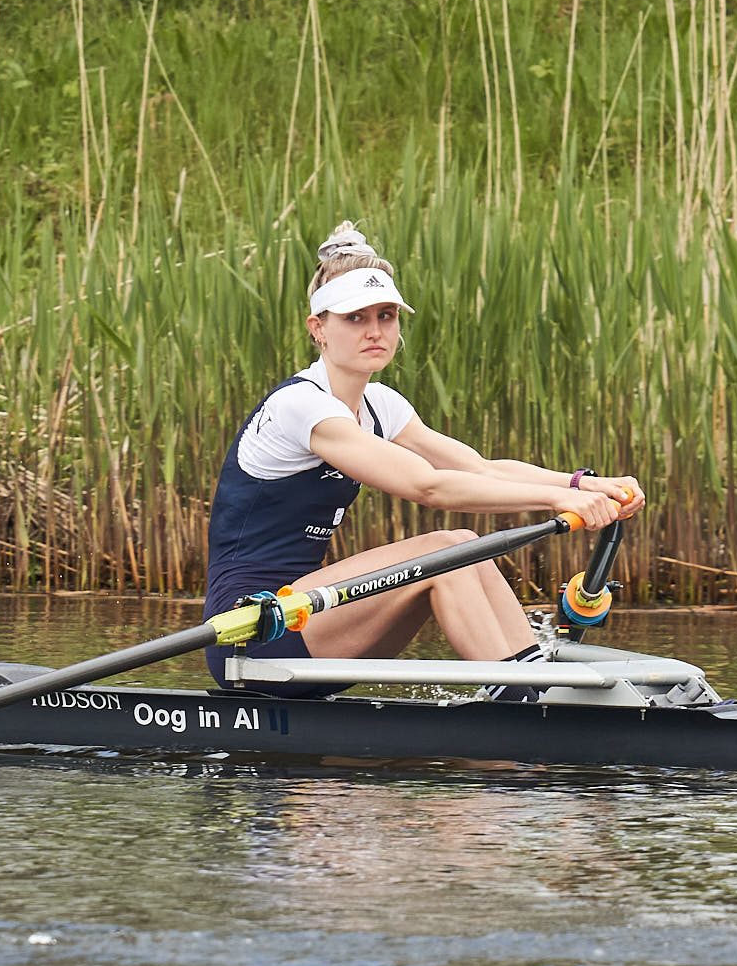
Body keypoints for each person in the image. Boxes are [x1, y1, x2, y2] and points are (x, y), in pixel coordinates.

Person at [203, 222, 645, 696]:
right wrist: (556, 500)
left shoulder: (381, 405)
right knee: (443, 553)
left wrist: (581, 484)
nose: (375, 331)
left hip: (314, 614)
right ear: (319, 329)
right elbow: (428, 486)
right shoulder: (300, 405)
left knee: (465, 544)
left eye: (386, 315)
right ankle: (520, 703)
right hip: (251, 632)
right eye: (355, 318)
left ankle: (537, 688)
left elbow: (479, 468)